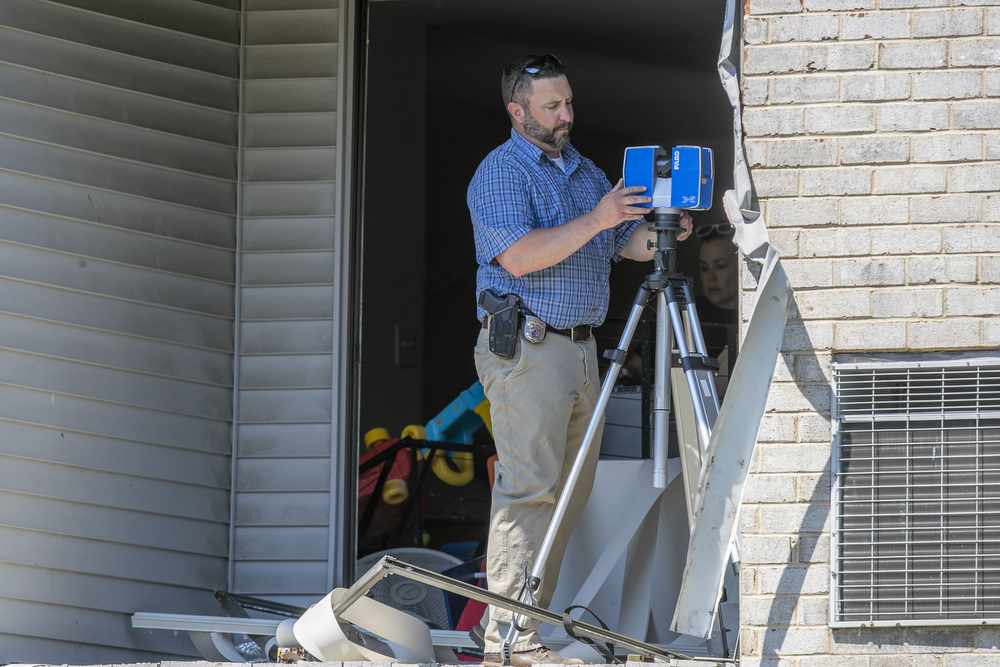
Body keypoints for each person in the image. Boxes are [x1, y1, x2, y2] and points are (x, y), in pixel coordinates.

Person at [468, 54, 691, 666]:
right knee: (531, 491)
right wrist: (599, 217)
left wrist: (668, 229)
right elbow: (517, 257)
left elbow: (627, 243)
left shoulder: (586, 171)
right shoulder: (500, 175)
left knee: (566, 493)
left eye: (568, 102)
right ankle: (509, 642)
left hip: (583, 349)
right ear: (518, 112)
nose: (566, 115)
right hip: (529, 349)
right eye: (551, 106)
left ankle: (521, 625)